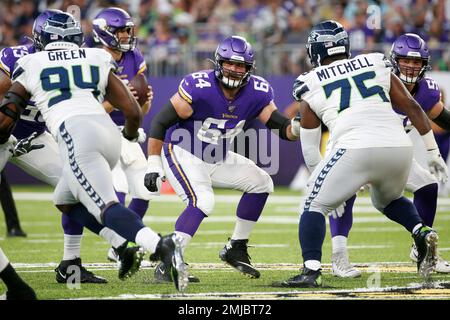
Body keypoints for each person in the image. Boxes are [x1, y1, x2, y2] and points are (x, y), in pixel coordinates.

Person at [0, 12, 188, 292]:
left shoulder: (33, 63)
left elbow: (8, 113)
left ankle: (116, 250)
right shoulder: (87, 57)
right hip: (79, 133)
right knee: (69, 197)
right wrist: (129, 134)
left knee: (84, 196)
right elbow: (132, 111)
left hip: (41, 135)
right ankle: (126, 247)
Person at [273, 20, 446, 287]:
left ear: (315, 51)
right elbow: (412, 107)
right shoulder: (375, 62)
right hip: (398, 147)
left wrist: (320, 181)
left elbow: (309, 145)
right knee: (388, 200)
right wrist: (432, 151)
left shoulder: (309, 81)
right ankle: (420, 230)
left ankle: (311, 270)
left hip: (353, 147)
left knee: (313, 204)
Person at [144, 35, 300, 283]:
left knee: (261, 183)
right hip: (183, 150)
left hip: (217, 156)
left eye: (241, 66)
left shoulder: (257, 92)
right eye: (230, 63)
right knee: (202, 200)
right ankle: (167, 263)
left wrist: (298, 127)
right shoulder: (199, 86)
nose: (235, 70)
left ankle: (236, 247)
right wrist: (153, 163)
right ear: (218, 62)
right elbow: (161, 121)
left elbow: (279, 126)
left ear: (249, 69)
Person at [0, 9, 127, 284]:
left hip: (34, 138)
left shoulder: (77, 61)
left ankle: (70, 263)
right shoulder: (16, 58)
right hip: (3, 134)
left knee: (74, 188)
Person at [328, 33, 450, 277]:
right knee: (343, 193)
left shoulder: (425, 91)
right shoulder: (376, 81)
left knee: (427, 185)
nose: (411, 66)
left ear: (425, 65)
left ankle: (422, 248)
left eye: (417, 62)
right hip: (355, 146)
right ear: (394, 60)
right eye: (406, 60)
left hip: (391, 153)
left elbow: (441, 116)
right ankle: (339, 256)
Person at [92, 7, 154, 263]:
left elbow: (141, 110)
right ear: (104, 33)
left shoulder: (134, 57)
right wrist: (118, 101)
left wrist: (142, 101)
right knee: (117, 187)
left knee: (143, 192)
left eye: (128, 30)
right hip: (99, 130)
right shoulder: (91, 59)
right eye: (121, 30)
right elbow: (88, 109)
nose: (127, 35)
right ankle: (119, 246)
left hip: (128, 132)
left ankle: (119, 246)